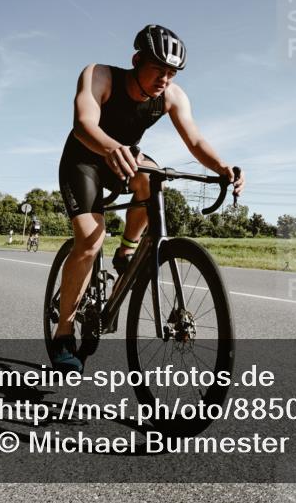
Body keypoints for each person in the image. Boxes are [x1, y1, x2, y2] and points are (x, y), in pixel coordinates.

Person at [53, 24, 244, 373]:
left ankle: (127, 249)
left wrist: (222, 167)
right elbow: (83, 122)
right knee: (90, 241)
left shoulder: (172, 96)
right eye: (158, 69)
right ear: (136, 60)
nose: (165, 79)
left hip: (125, 156)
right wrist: (110, 147)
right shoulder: (100, 76)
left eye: (171, 73)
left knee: (156, 182)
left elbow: (195, 141)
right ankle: (64, 332)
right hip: (84, 158)